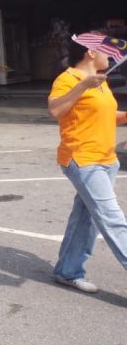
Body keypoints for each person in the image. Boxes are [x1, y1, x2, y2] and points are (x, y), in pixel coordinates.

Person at [48, 34, 127, 293]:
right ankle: (68, 270)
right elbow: (56, 109)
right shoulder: (68, 79)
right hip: (83, 159)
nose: (111, 55)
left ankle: (67, 271)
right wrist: (84, 86)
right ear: (90, 53)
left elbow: (104, 114)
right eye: (106, 50)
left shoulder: (101, 83)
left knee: (86, 219)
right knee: (113, 220)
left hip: (107, 160)